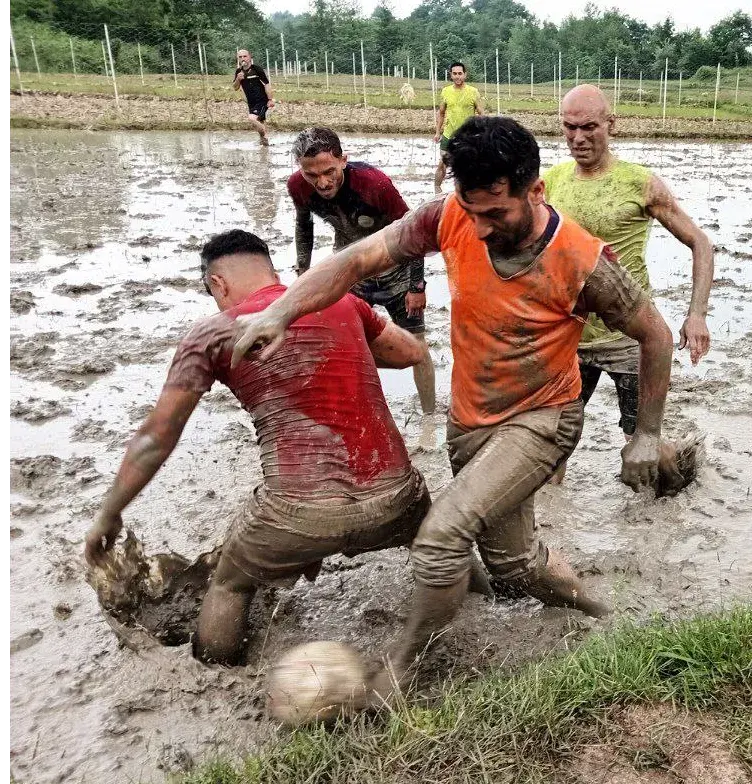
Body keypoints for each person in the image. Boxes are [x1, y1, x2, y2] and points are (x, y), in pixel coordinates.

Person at [231, 116, 675, 705]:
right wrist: (281, 311)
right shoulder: (449, 216)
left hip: (543, 417)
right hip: (470, 421)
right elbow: (357, 261)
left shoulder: (582, 260)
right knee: (515, 565)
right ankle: (606, 618)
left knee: (441, 536)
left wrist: (646, 433)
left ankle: (398, 674)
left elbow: (656, 335)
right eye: (472, 211)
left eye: (496, 213)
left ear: (535, 190)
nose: (481, 228)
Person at [84, 230, 433, 665]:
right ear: (272, 271)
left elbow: (156, 438)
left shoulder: (211, 334)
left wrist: (109, 514)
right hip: (395, 497)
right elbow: (410, 353)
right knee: (437, 540)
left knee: (230, 581)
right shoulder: (343, 302)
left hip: (295, 515)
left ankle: (212, 674)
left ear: (217, 284)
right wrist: (351, 335)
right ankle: (487, 602)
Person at [543, 84, 714, 482]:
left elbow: (700, 243)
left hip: (629, 338)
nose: (578, 138)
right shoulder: (550, 182)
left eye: (589, 127)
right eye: (569, 127)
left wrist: (697, 315)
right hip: (569, 338)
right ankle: (550, 515)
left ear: (611, 125)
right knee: (552, 446)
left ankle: (683, 474)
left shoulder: (641, 183)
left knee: (643, 449)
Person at [289, 127, 436, 415]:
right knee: (345, 344)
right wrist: (303, 270)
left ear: (343, 160)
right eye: (311, 175)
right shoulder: (298, 186)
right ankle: (355, 409)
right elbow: (303, 225)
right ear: (300, 169)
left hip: (396, 274)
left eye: (329, 171)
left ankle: (429, 416)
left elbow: (414, 233)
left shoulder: (375, 185)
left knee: (417, 345)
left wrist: (417, 286)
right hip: (350, 275)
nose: (322, 182)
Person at [433, 62, 483, 194]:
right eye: (454, 74)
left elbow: (481, 113)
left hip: (467, 137)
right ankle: (436, 191)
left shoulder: (473, 92)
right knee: (442, 164)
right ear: (451, 75)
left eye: (460, 73)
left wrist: (479, 131)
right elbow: (441, 113)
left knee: (466, 166)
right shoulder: (446, 91)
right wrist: (438, 132)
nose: (457, 76)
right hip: (448, 135)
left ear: (465, 75)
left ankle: (465, 194)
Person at [233, 49, 273, 146]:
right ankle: (264, 143)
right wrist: (238, 79)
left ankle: (264, 135)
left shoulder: (257, 69)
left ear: (250, 57)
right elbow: (235, 87)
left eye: (245, 56)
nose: (243, 59)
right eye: (240, 57)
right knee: (259, 121)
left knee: (252, 118)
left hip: (262, 100)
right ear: (238, 59)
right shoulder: (239, 71)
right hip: (251, 102)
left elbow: (266, 85)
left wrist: (270, 99)